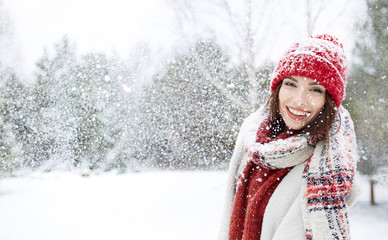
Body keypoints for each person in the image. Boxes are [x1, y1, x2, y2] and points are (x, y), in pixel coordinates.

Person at [219, 34, 362, 240]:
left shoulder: (329, 165)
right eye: (291, 84)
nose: (299, 100)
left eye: (315, 89)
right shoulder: (253, 136)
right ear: (277, 87)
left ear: (328, 100)